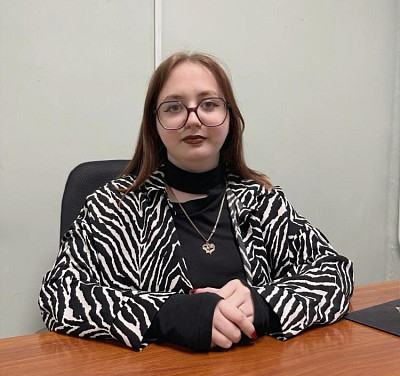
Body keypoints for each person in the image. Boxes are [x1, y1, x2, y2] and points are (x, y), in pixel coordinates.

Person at [39, 52, 354, 352]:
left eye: (209, 104)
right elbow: (59, 294)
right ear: (154, 123)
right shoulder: (113, 205)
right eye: (174, 107)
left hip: (258, 374)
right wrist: (168, 313)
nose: (193, 119)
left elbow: (335, 273)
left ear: (229, 116)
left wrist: (263, 304)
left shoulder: (261, 199)